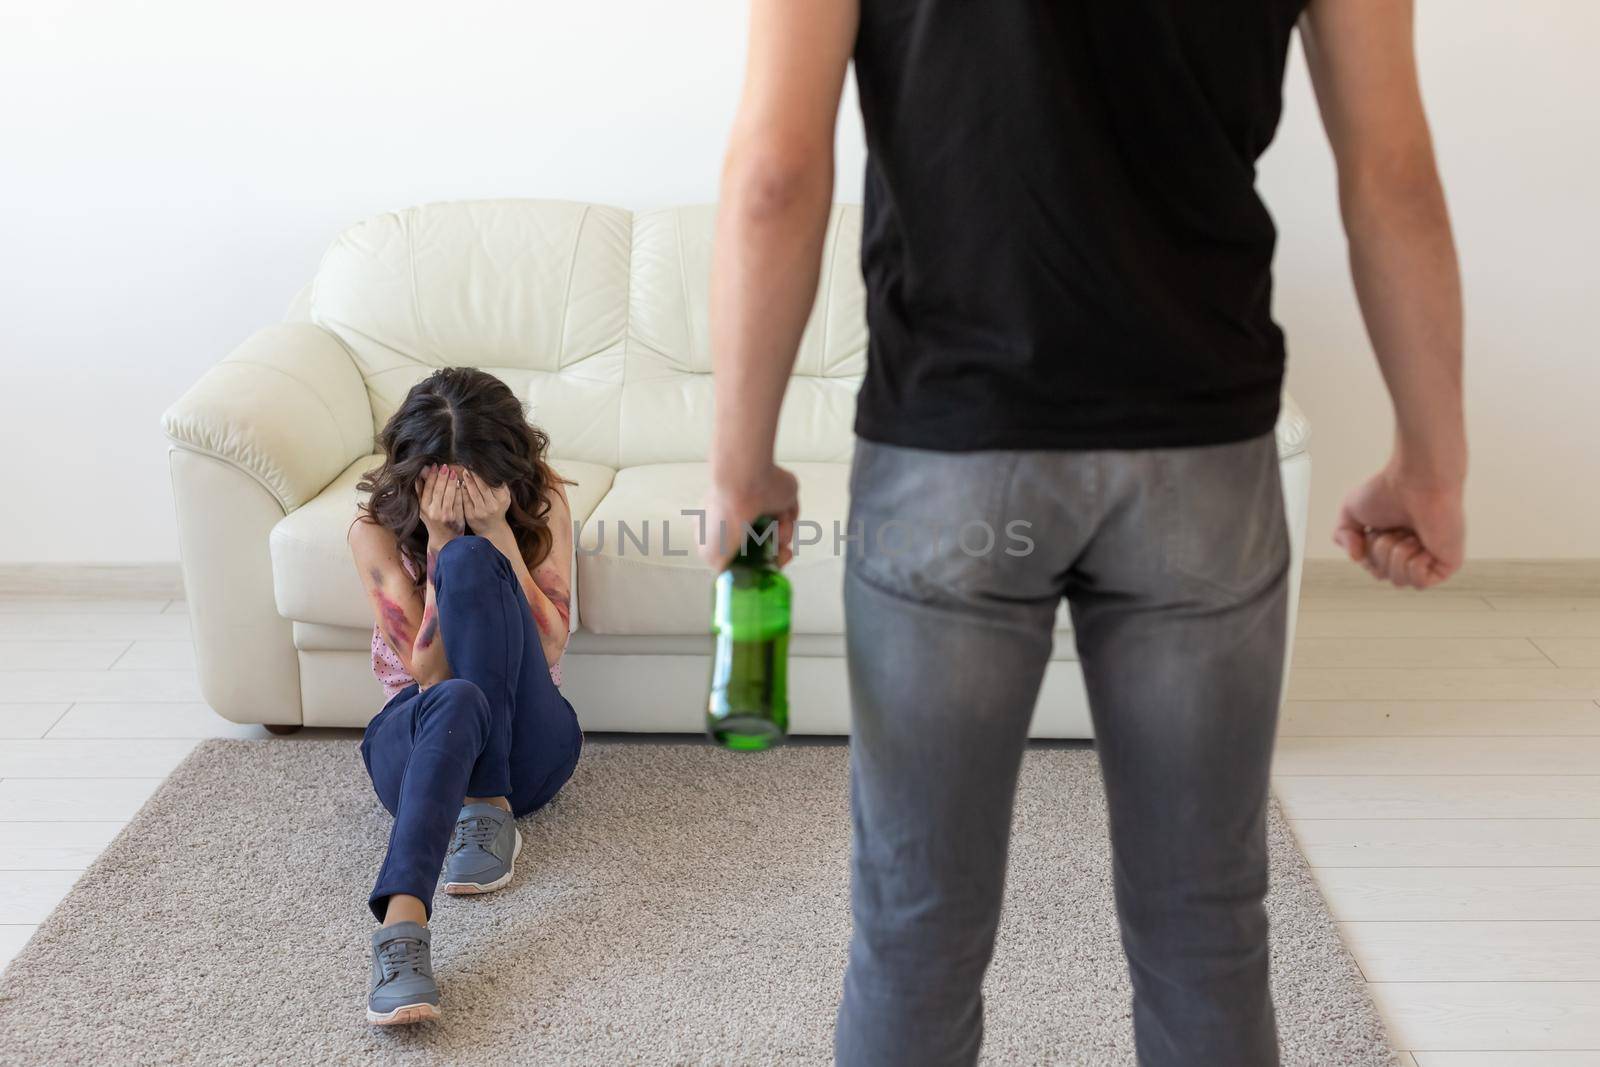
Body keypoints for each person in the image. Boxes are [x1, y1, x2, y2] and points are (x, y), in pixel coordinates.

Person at [703, 0, 1465, 1064]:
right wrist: (1431, 463)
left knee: (913, 931)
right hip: (1198, 457)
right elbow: (1391, 176)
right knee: (1206, 928)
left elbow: (774, 175)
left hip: (947, 462)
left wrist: (741, 465)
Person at [347, 367, 582, 1025]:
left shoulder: (545, 502)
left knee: (476, 566)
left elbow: (553, 643)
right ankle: (401, 931)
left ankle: (491, 804)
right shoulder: (374, 531)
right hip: (427, 744)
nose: (458, 496)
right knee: (457, 698)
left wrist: (498, 536)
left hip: (530, 750)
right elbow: (427, 674)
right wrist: (446, 542)